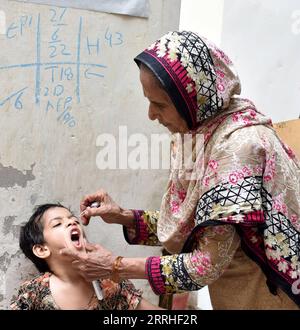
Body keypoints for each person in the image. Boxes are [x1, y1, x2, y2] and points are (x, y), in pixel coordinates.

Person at [61, 31, 300, 309]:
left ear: (194, 100)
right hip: (234, 290)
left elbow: (205, 264)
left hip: (267, 293)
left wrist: (115, 266)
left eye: (160, 104)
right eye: (148, 101)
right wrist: (125, 217)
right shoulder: (195, 134)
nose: (151, 114)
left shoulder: (239, 149)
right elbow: (193, 225)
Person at [10, 203, 160, 310]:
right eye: (57, 224)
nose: (71, 222)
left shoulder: (110, 282)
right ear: (42, 250)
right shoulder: (33, 293)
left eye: (74, 220)